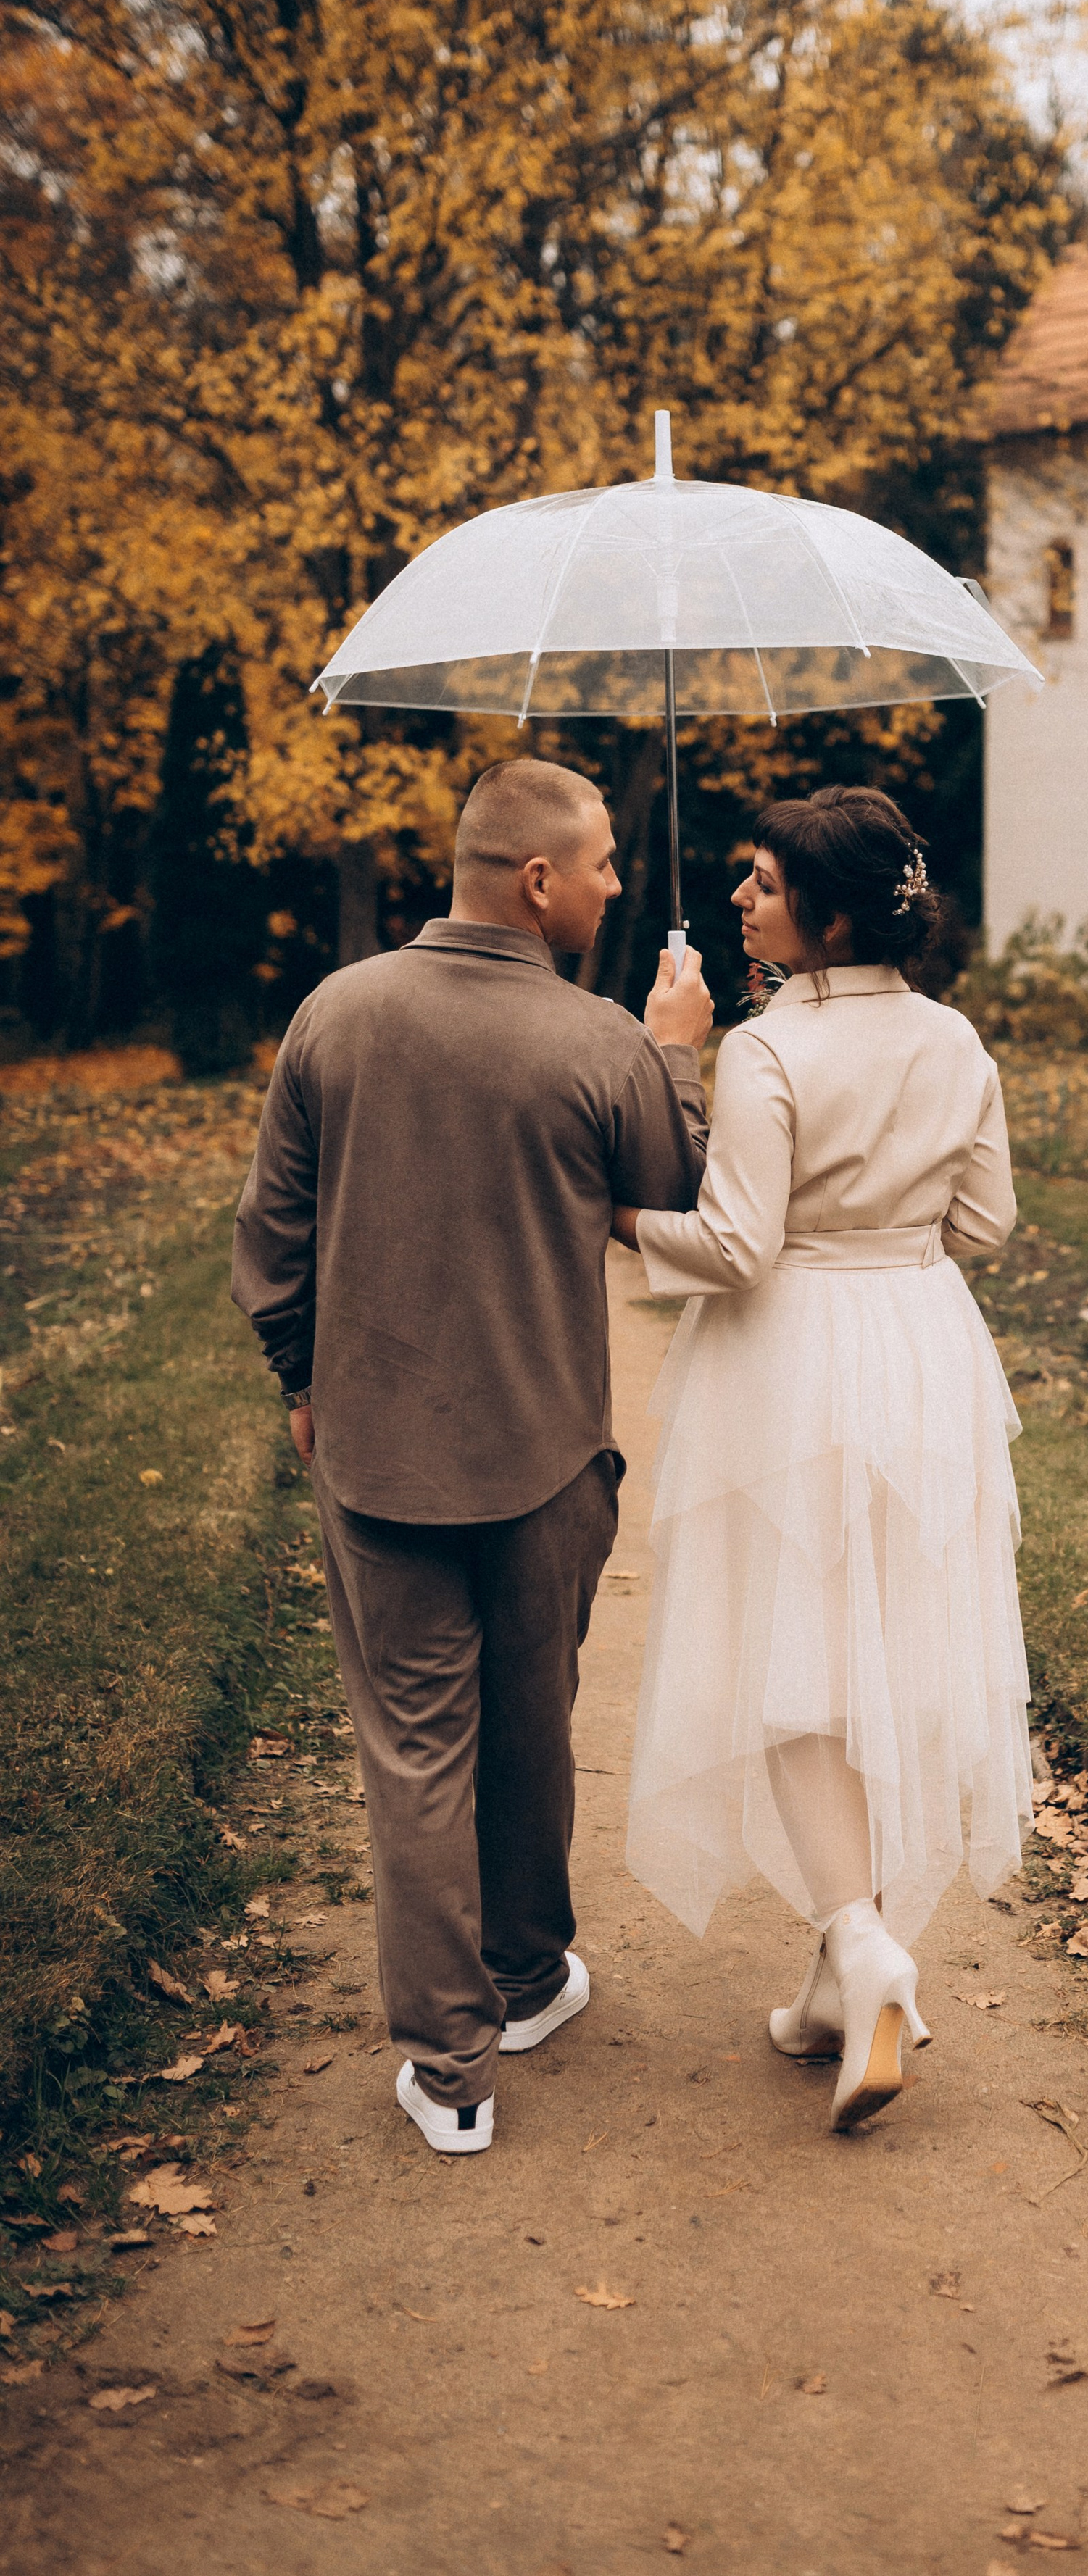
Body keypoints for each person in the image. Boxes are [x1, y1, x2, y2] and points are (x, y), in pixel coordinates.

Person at [232, 758, 713, 2156]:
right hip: (546, 1452)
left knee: (416, 1749)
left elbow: (274, 1227)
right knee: (528, 1719)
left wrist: (301, 1374)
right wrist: (674, 1041)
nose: (620, 883)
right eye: (606, 862)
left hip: (377, 1454)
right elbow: (677, 1192)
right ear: (538, 881)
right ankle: (519, 1980)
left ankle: (451, 2071)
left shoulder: (337, 1012)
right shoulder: (600, 1042)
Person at [618, 783, 1031, 2133]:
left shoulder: (761, 1050)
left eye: (764, 883)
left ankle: (863, 1943)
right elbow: (989, 1216)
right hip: (922, 1342)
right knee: (879, 1642)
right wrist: (889, 1243)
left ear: (829, 913)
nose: (741, 899)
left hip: (794, 1354)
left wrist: (616, 1211)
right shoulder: (958, 1038)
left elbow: (735, 1245)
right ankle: (827, 1995)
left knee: (794, 1659)